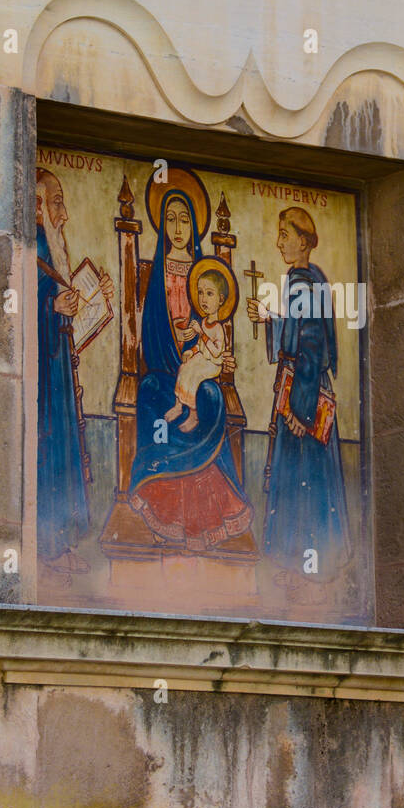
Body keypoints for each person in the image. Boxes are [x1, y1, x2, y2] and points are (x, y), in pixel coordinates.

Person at [128, 190, 253, 553]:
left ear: (195, 225)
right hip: (165, 367)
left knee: (211, 396)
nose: (178, 227)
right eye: (171, 218)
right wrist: (175, 339)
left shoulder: (204, 273)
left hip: (198, 371)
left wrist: (199, 347)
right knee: (151, 389)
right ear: (162, 224)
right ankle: (161, 509)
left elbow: (215, 325)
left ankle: (208, 518)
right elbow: (151, 326)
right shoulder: (159, 270)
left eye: (185, 219)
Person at [247, 207, 350, 576]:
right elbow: (298, 331)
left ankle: (300, 568)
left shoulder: (303, 283)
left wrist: (297, 412)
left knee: (302, 481)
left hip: (303, 396)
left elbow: (309, 347)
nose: (279, 243)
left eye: (285, 236)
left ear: (304, 242)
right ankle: (310, 567)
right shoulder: (310, 279)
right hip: (302, 389)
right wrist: (271, 319)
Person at [36, 168, 113, 575]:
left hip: (60, 369)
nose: (63, 214)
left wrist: (97, 298)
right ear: (38, 206)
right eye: (58, 202)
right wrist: (50, 308)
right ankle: (44, 551)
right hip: (43, 381)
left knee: (64, 449)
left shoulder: (53, 249)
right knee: (49, 450)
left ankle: (61, 546)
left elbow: (66, 306)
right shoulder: (30, 247)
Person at [163, 268, 229, 434]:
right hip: (202, 358)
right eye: (200, 293)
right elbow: (200, 346)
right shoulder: (205, 321)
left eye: (209, 293)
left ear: (221, 299)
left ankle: (193, 415)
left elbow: (215, 352)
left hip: (213, 364)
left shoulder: (218, 328)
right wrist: (191, 352)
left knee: (194, 376)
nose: (203, 299)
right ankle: (178, 406)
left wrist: (201, 333)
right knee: (184, 368)